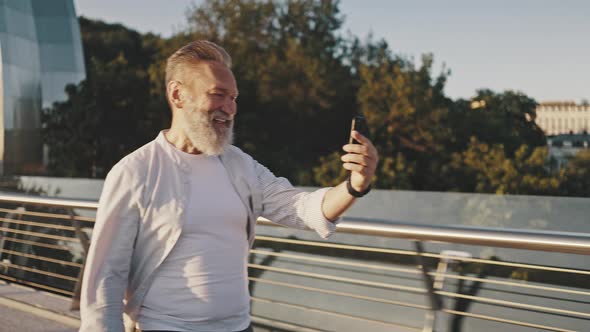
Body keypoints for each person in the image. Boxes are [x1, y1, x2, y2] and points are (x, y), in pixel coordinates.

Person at [80, 40, 379, 332]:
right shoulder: (136, 171)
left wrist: (355, 184)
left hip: (238, 327)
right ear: (177, 94)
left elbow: (301, 208)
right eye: (218, 95)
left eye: (234, 98)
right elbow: (106, 274)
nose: (229, 108)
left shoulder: (241, 165)